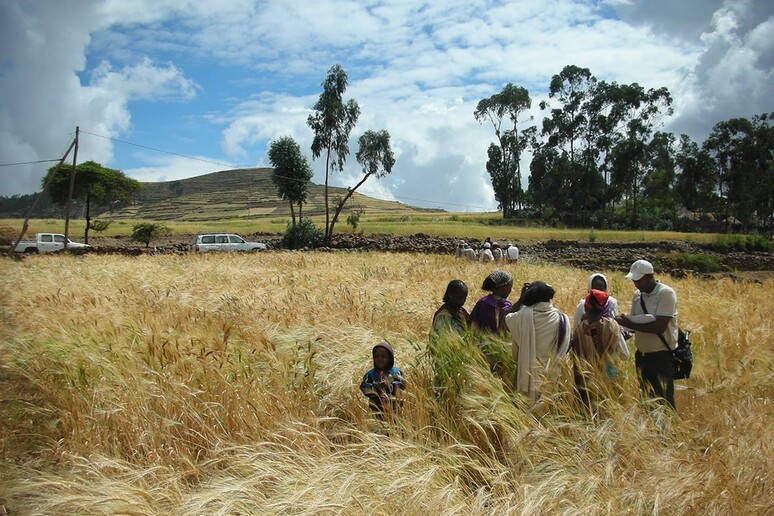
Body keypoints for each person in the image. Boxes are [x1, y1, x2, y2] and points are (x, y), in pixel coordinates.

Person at [615, 260, 679, 410]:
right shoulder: (638, 295)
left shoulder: (666, 293)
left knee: (664, 400)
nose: (635, 283)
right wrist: (622, 329)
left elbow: (659, 327)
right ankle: (651, 430)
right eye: (634, 279)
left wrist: (628, 323)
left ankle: (669, 432)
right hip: (642, 356)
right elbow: (637, 323)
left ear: (650, 276)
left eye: (639, 279)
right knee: (646, 397)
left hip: (661, 356)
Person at [505, 281, 570, 403]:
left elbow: (506, 318)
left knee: (525, 410)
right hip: (551, 376)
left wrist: (520, 300)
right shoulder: (562, 319)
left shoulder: (523, 315)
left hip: (527, 374)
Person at [571, 289, 623, 412]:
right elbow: (615, 351)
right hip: (608, 377)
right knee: (607, 410)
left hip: (586, 380)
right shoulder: (613, 326)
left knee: (586, 410)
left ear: (585, 307)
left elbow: (576, 356)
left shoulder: (580, 329)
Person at [573, 273, 630, 368]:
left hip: (607, 347)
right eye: (595, 289)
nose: (598, 292)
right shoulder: (582, 305)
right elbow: (576, 331)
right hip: (588, 349)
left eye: (601, 289)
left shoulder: (612, 303)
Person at [360, 342, 405, 416]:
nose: (380, 359)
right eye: (377, 356)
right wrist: (375, 388)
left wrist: (389, 386)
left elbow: (402, 386)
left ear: (390, 359)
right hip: (376, 410)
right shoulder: (370, 374)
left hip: (394, 410)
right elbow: (364, 387)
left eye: (383, 357)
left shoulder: (396, 373)